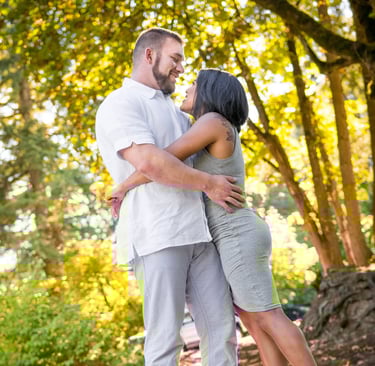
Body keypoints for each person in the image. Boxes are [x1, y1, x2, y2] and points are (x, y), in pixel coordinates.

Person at [111, 69, 317, 366]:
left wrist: (123, 186)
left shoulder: (212, 122)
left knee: (269, 316)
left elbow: (163, 160)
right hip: (229, 234)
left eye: (193, 83)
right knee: (257, 324)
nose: (186, 87)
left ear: (209, 91)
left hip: (235, 232)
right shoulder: (213, 125)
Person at [96, 28, 243, 366]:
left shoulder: (178, 111)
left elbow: (181, 157)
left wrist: (124, 185)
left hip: (201, 234)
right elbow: (151, 162)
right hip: (158, 234)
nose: (180, 67)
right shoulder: (121, 103)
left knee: (222, 332)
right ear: (149, 56)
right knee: (165, 341)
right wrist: (209, 183)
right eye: (175, 58)